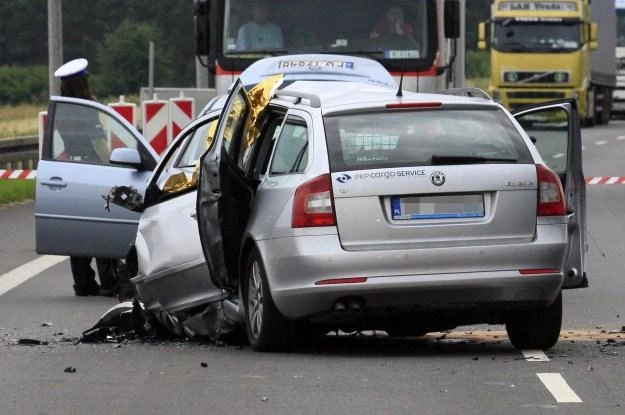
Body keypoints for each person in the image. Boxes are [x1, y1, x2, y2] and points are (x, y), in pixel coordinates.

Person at [54, 58, 117, 297]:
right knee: (103, 226)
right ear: (83, 83)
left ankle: (83, 282)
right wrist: (113, 165)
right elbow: (98, 143)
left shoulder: (61, 108)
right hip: (94, 169)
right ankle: (110, 282)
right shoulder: (89, 108)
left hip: (72, 169)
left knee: (78, 228)